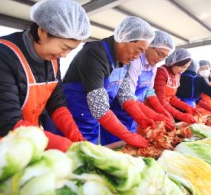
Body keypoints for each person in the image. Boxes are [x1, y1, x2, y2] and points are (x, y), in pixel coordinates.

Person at [0, 0, 90, 154]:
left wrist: (76, 136)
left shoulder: (52, 59)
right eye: (64, 47)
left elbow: (57, 104)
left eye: (71, 50)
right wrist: (64, 145)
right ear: (42, 31)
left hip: (29, 141)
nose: (64, 55)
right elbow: (7, 121)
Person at [61, 16, 155, 147]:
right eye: (138, 50)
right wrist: (128, 136)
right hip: (71, 121)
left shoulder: (124, 60)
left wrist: (142, 119)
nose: (137, 56)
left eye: (142, 52)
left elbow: (125, 94)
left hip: (91, 121)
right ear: (123, 38)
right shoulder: (95, 53)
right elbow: (99, 106)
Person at [105, 31, 176, 144]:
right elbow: (128, 95)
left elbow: (149, 91)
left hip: (137, 111)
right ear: (149, 47)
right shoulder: (135, 61)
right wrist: (155, 115)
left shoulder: (153, 66)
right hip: (120, 111)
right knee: (117, 144)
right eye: (159, 54)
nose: (160, 59)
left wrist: (163, 112)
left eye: (164, 57)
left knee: (133, 141)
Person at [154, 48, 200, 124]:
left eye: (186, 67)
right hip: (154, 110)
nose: (183, 70)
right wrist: (179, 115)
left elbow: (171, 98)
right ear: (174, 62)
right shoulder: (161, 72)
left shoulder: (177, 75)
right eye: (182, 67)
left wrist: (187, 107)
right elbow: (160, 100)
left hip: (166, 110)